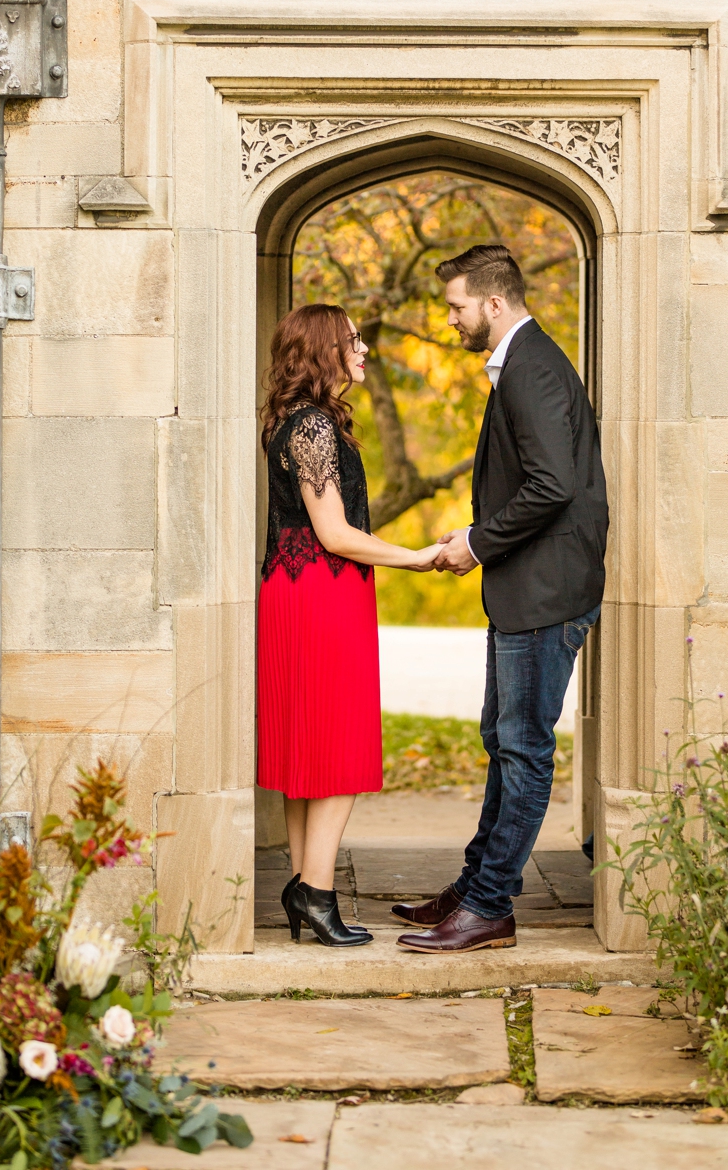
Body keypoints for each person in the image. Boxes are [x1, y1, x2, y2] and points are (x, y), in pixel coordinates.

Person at [393, 244, 611, 955]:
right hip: (530, 588)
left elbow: (552, 486)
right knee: (502, 741)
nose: (449, 319)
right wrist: (478, 536)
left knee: (522, 750)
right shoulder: (523, 364)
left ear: (493, 302)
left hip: (544, 593)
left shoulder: (532, 369)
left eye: (456, 306)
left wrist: (478, 543)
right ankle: (475, 886)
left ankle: (489, 907)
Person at [258, 303, 443, 947]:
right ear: (323, 351)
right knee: (335, 746)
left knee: (307, 746)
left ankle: (306, 887)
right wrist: (417, 557)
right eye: (352, 340)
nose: (363, 349)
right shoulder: (311, 429)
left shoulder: (302, 423)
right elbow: (335, 534)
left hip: (301, 591)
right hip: (318, 594)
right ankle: (314, 892)